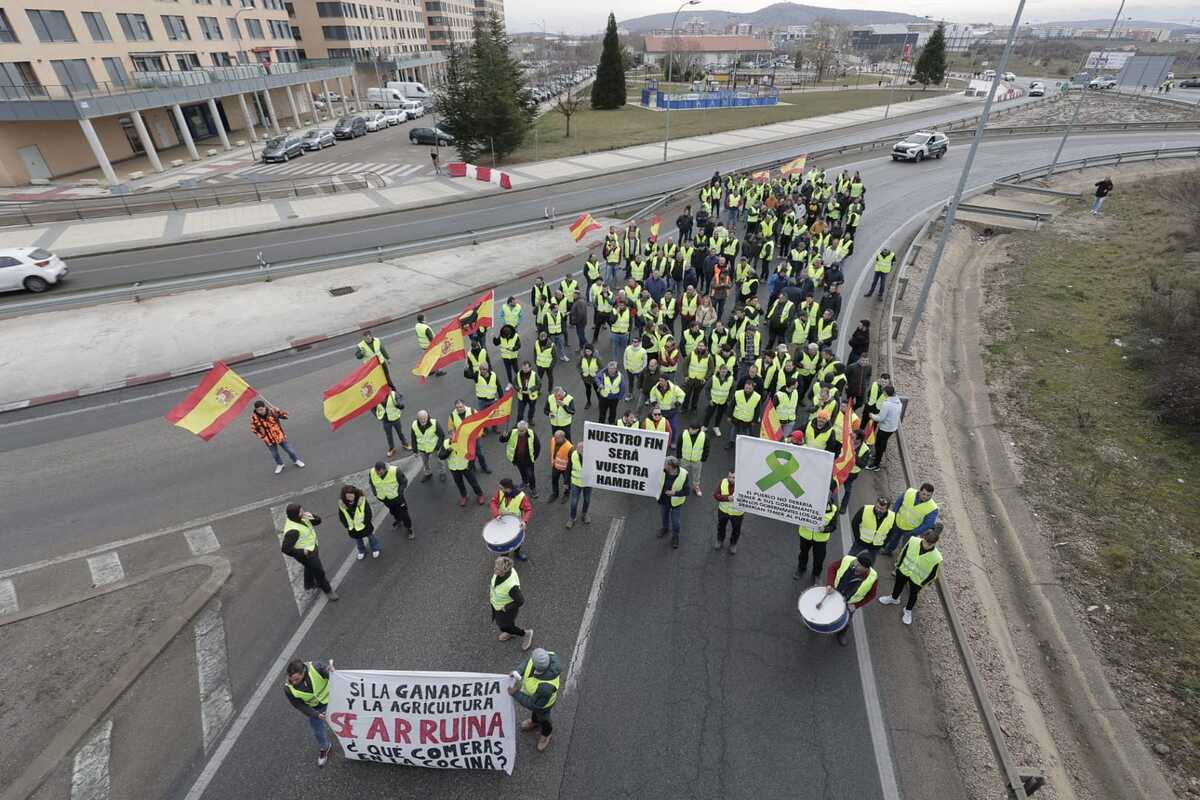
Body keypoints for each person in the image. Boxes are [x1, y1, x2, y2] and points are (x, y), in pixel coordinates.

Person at [879, 525, 943, 625]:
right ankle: (894, 598)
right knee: (898, 585)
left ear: (934, 543)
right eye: (925, 541)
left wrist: (923, 583)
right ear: (923, 538)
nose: (926, 545)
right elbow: (903, 553)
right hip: (903, 570)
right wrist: (898, 566)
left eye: (929, 544)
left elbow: (933, 574)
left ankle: (908, 611)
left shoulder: (937, 557)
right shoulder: (913, 541)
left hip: (917, 580)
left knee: (913, 595)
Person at [280, 503, 338, 600]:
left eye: (302, 510)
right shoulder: (293, 531)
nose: (303, 512)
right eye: (301, 512)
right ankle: (328, 591)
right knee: (319, 572)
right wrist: (303, 552)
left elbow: (318, 521)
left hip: (312, 547)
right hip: (307, 554)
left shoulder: (301, 518)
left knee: (309, 567)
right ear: (295, 514)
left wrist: (312, 517)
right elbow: (285, 549)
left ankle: (309, 584)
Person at [508, 647, 560, 753]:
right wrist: (518, 672)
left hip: (543, 706)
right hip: (536, 699)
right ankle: (534, 721)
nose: (531, 659)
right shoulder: (547, 655)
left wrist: (516, 694)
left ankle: (546, 735)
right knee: (536, 714)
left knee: (544, 719)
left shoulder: (546, 688)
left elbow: (534, 705)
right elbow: (528, 661)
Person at [285, 659, 335, 767]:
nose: (293, 683)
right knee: (318, 732)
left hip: (335, 700)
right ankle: (325, 747)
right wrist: (315, 715)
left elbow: (334, 677)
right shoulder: (288, 688)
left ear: (304, 672)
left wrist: (333, 673)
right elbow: (300, 705)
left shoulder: (317, 667)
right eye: (291, 679)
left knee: (349, 722)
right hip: (316, 710)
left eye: (296, 679)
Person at [823, 553, 878, 645]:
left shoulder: (873, 578)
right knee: (826, 609)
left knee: (845, 619)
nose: (856, 565)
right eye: (857, 562)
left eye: (859, 565)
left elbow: (872, 595)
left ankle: (841, 632)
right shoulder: (847, 560)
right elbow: (832, 568)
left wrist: (856, 605)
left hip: (849, 603)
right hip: (835, 593)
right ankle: (820, 622)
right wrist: (830, 584)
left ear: (866, 568)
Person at [795, 482, 839, 583]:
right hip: (805, 535)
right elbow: (797, 515)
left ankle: (816, 575)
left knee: (819, 558)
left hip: (821, 539)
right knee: (803, 554)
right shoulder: (806, 503)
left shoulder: (834, 509)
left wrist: (825, 529)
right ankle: (801, 569)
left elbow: (833, 526)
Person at [883, 483, 939, 557]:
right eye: (924, 494)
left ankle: (900, 561)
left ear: (932, 495)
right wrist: (894, 515)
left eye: (928, 495)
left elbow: (928, 524)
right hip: (898, 521)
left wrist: (914, 532)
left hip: (911, 530)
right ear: (920, 491)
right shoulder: (909, 492)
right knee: (893, 538)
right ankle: (888, 550)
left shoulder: (933, 508)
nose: (925, 497)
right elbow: (898, 503)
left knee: (905, 547)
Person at [490, 556, 534, 650]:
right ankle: (510, 632)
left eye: (497, 569)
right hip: (498, 605)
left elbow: (520, 600)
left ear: (503, 571)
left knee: (504, 626)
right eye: (495, 566)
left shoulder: (511, 586)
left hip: (506, 610)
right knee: (508, 624)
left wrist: (506, 608)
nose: (494, 569)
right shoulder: (504, 572)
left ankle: (526, 633)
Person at [251, 400, 306, 475]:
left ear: (265, 407)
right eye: (258, 410)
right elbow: (254, 429)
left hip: (279, 436)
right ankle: (280, 464)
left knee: (290, 451)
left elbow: (286, 416)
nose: (260, 411)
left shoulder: (272, 412)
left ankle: (296, 460)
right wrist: (263, 436)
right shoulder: (254, 418)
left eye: (261, 409)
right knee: (275, 454)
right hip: (269, 440)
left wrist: (279, 411)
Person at [490, 478, 532, 562]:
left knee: (517, 540)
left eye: (501, 487)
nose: (499, 489)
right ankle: (504, 556)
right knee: (504, 540)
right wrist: (496, 514)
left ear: (508, 488)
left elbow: (528, 510)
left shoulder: (521, 496)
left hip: (516, 523)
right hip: (502, 521)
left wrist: (524, 521)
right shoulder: (500, 492)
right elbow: (493, 502)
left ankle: (517, 553)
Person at [369, 460, 414, 538]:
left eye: (380, 472)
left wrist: (399, 493)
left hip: (398, 498)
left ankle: (409, 528)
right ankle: (398, 520)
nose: (378, 474)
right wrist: (376, 494)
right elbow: (372, 484)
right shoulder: (372, 473)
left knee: (404, 513)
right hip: (385, 499)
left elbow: (404, 482)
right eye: (377, 472)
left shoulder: (395, 471)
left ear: (385, 469)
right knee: (393, 511)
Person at [450, 399, 493, 475]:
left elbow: (480, 423)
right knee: (469, 455)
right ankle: (473, 468)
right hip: (463, 440)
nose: (459, 409)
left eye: (460, 407)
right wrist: (453, 436)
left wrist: (478, 434)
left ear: (464, 405)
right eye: (457, 407)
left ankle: (484, 467)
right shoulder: (452, 416)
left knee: (479, 454)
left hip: (474, 437)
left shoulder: (472, 411)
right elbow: (451, 428)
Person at [337, 484, 379, 559]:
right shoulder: (342, 504)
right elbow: (342, 516)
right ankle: (362, 551)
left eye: (351, 494)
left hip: (365, 525)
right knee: (358, 540)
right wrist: (346, 525)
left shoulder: (361, 501)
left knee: (371, 537)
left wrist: (365, 522)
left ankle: (375, 548)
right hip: (353, 528)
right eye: (348, 495)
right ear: (344, 496)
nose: (350, 497)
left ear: (355, 493)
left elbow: (368, 512)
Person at [865, 385, 902, 470]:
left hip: (885, 428)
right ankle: (878, 456)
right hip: (892, 427)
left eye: (884, 392)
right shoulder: (898, 401)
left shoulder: (887, 404)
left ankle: (876, 464)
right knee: (883, 443)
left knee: (879, 445)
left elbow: (881, 418)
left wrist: (872, 416)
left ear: (886, 393)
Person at [657, 456, 691, 549]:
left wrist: (674, 493)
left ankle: (675, 536)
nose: (663, 465)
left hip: (676, 503)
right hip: (664, 500)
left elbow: (687, 491)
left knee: (675, 522)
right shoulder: (663, 471)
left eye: (665, 464)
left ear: (671, 466)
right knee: (664, 516)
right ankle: (665, 529)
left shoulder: (684, 474)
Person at [499, 421, 540, 498]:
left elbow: (537, 447)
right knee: (522, 471)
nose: (520, 432)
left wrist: (534, 458)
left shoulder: (532, 434)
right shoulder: (512, 432)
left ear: (526, 429)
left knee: (530, 475)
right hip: (518, 459)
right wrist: (503, 436)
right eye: (519, 430)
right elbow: (502, 440)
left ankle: (533, 488)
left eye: (522, 431)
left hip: (528, 460)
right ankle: (525, 482)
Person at [444, 433, 485, 507]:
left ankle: (480, 494)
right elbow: (441, 456)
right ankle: (464, 496)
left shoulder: (464, 442)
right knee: (459, 483)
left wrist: (470, 465)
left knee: (473, 482)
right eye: (450, 436)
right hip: (454, 468)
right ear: (448, 437)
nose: (452, 438)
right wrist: (448, 450)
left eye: (454, 435)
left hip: (465, 467)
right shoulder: (445, 443)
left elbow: (472, 454)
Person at [410, 410, 447, 482]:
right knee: (425, 462)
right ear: (417, 418)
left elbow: (442, 435)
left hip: (434, 448)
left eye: (424, 418)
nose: (423, 420)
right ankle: (428, 473)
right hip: (422, 448)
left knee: (439, 461)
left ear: (428, 416)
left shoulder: (434, 423)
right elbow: (413, 438)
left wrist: (438, 446)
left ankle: (442, 473)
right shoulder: (414, 425)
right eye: (421, 419)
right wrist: (415, 450)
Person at [712, 471, 743, 554]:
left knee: (736, 530)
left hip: (737, 513)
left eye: (733, 477)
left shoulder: (743, 485)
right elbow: (716, 495)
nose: (731, 479)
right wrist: (727, 498)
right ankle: (720, 540)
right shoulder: (723, 482)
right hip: (723, 511)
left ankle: (733, 544)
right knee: (721, 526)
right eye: (729, 477)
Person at [677, 421, 710, 497]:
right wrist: (679, 455)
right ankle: (680, 486)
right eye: (690, 428)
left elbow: (706, 448)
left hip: (697, 461)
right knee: (682, 474)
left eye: (693, 429)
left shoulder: (703, 436)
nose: (691, 430)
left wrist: (704, 458)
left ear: (698, 429)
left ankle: (696, 487)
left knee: (696, 476)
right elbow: (679, 445)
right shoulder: (683, 434)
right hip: (685, 459)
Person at [373, 387, 408, 457]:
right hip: (385, 420)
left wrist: (399, 405)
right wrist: (378, 416)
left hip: (395, 418)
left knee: (400, 432)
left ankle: (405, 443)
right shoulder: (376, 398)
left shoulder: (394, 394)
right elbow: (373, 408)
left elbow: (402, 405)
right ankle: (392, 448)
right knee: (389, 436)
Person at [566, 444, 591, 528]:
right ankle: (572, 518)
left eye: (583, 451)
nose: (581, 452)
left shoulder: (592, 455)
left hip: (588, 482)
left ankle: (584, 514)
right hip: (576, 482)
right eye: (580, 451)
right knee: (574, 502)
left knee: (587, 500)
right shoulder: (574, 455)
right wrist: (566, 482)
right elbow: (568, 468)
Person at [547, 429, 574, 503]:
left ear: (563, 438)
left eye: (557, 438)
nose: (555, 439)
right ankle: (555, 493)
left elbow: (572, 462)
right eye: (554, 437)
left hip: (565, 469)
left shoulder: (569, 447)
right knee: (554, 480)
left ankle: (566, 494)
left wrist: (569, 471)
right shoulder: (553, 440)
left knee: (566, 482)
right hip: (555, 466)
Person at [595, 360, 625, 424]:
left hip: (614, 398)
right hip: (604, 397)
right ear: (607, 368)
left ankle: (611, 423)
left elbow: (623, 387)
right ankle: (601, 424)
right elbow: (597, 377)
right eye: (610, 368)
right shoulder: (603, 373)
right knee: (602, 412)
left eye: (613, 369)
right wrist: (599, 384)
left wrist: (619, 397)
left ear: (616, 369)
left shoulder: (620, 376)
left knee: (613, 412)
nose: (611, 370)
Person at [578, 344, 600, 410]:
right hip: (586, 377)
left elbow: (601, 366)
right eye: (586, 351)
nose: (588, 353)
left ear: (592, 351)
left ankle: (600, 401)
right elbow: (578, 365)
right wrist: (581, 373)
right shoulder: (582, 357)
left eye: (589, 351)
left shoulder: (596, 357)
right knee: (588, 390)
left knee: (597, 390)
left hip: (594, 377)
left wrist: (597, 374)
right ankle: (588, 402)